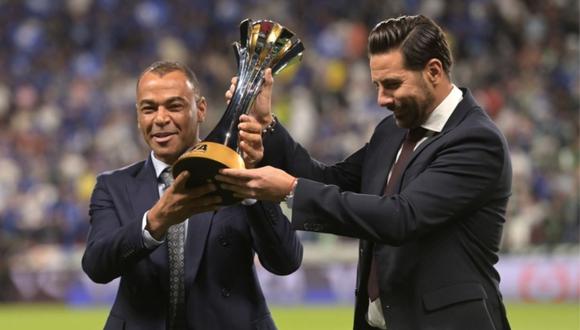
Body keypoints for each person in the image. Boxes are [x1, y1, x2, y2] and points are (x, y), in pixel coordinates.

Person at [217, 15, 512, 330]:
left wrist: (291, 190)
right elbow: (330, 180)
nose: (382, 99)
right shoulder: (393, 131)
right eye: (377, 85)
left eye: (392, 84)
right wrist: (268, 125)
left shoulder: (476, 140)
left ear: (434, 71)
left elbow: (402, 217)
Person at [82, 60, 303, 330]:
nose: (161, 118)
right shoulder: (113, 186)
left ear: (200, 110)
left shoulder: (239, 175)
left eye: (174, 106)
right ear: (139, 117)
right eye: (149, 108)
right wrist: (154, 222)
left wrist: (251, 184)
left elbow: (285, 261)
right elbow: (96, 266)